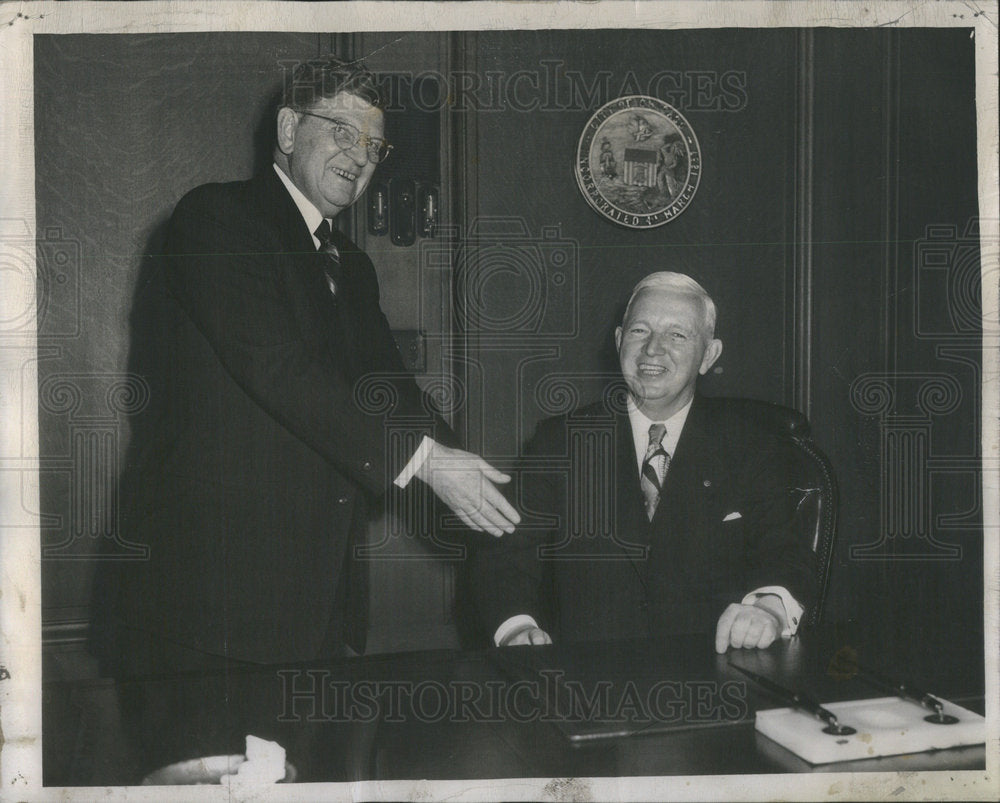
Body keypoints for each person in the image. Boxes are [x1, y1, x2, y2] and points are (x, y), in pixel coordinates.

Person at [90, 56, 519, 680]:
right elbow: (280, 370)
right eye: (343, 132)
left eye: (374, 144)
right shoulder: (217, 218)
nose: (361, 155)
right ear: (290, 132)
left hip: (316, 608)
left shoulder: (351, 263)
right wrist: (430, 464)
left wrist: (490, 494)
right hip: (204, 610)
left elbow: (394, 395)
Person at [472, 272, 817, 653]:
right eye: (639, 331)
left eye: (677, 335)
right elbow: (505, 558)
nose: (653, 349)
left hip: (716, 676)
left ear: (709, 355)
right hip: (588, 680)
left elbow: (787, 549)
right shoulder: (560, 442)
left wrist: (769, 608)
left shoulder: (752, 442)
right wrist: (516, 629)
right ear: (619, 341)